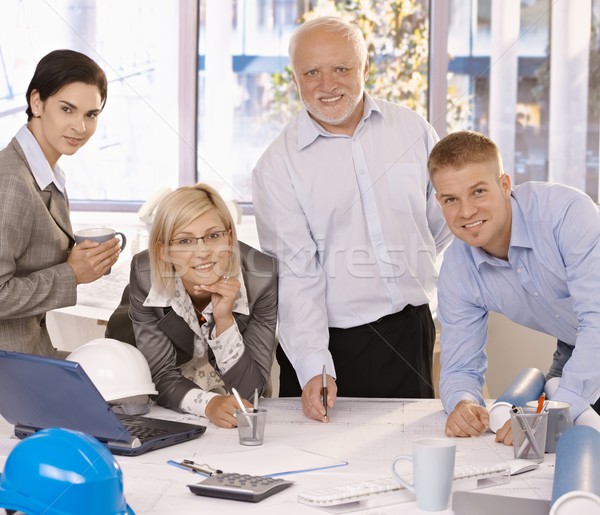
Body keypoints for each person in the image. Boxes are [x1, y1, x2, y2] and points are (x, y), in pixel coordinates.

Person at [252, 16, 452, 422]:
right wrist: (313, 365)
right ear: (295, 80)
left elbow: (442, 221)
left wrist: (411, 266)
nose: (327, 85)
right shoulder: (277, 165)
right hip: (329, 343)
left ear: (365, 68)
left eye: (341, 68)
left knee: (407, 458)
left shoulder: (413, 130)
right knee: (320, 467)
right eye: (312, 72)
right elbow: (295, 274)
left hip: (410, 331)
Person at [428, 130, 600, 444]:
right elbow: (460, 366)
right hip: (575, 345)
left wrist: (558, 411)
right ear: (439, 201)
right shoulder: (457, 268)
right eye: (451, 199)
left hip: (594, 332)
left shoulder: (565, 214)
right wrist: (463, 402)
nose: (466, 212)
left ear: (504, 185)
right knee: (550, 451)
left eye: (478, 191)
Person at [106, 184, 278, 428]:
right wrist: (208, 405)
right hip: (163, 394)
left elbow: (250, 394)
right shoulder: (145, 274)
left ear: (229, 237)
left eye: (213, 235)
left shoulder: (262, 278)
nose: (203, 252)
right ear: (164, 252)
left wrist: (224, 321)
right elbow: (161, 374)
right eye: (185, 240)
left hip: (227, 382)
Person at [0, 49, 121, 357]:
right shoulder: (12, 180)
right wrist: (72, 274)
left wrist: (82, 259)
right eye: (67, 109)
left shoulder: (45, 172)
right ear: (36, 102)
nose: (80, 128)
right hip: (11, 366)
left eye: (91, 115)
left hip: (31, 351)